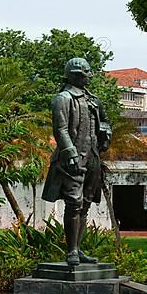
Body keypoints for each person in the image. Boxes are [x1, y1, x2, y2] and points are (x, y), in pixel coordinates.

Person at [42, 58, 112, 266]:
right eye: (87, 73)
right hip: (73, 158)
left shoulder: (93, 99)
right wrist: (69, 152)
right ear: (76, 74)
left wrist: (106, 133)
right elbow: (60, 129)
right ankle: (71, 251)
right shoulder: (63, 98)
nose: (90, 76)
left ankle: (78, 249)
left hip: (92, 157)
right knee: (74, 202)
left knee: (86, 203)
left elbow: (105, 120)